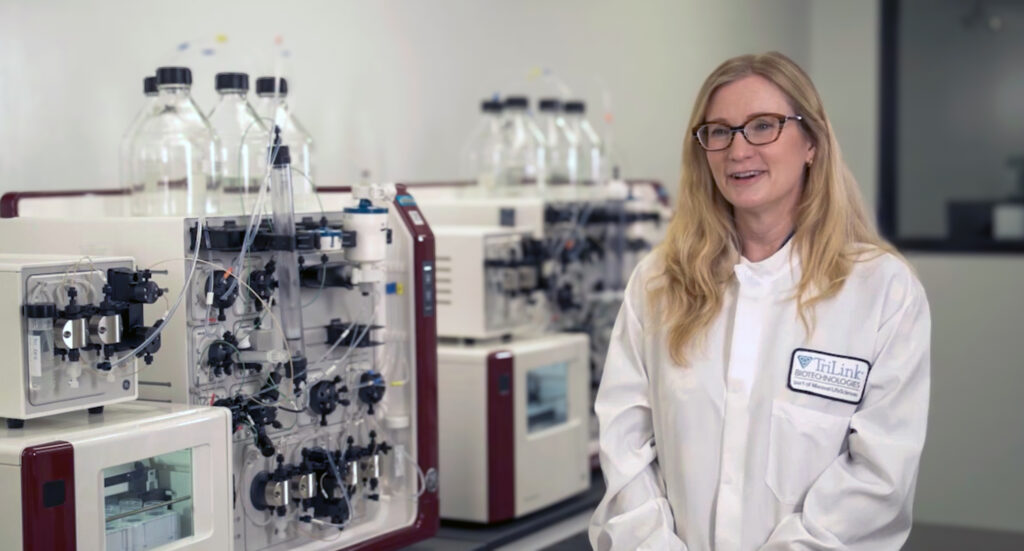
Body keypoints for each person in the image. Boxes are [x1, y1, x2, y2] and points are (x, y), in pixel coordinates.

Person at [588, 51, 931, 551]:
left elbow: (879, 477)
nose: (738, 149)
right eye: (719, 131)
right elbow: (625, 449)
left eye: (763, 126)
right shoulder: (658, 283)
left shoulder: (882, 291)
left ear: (811, 142)